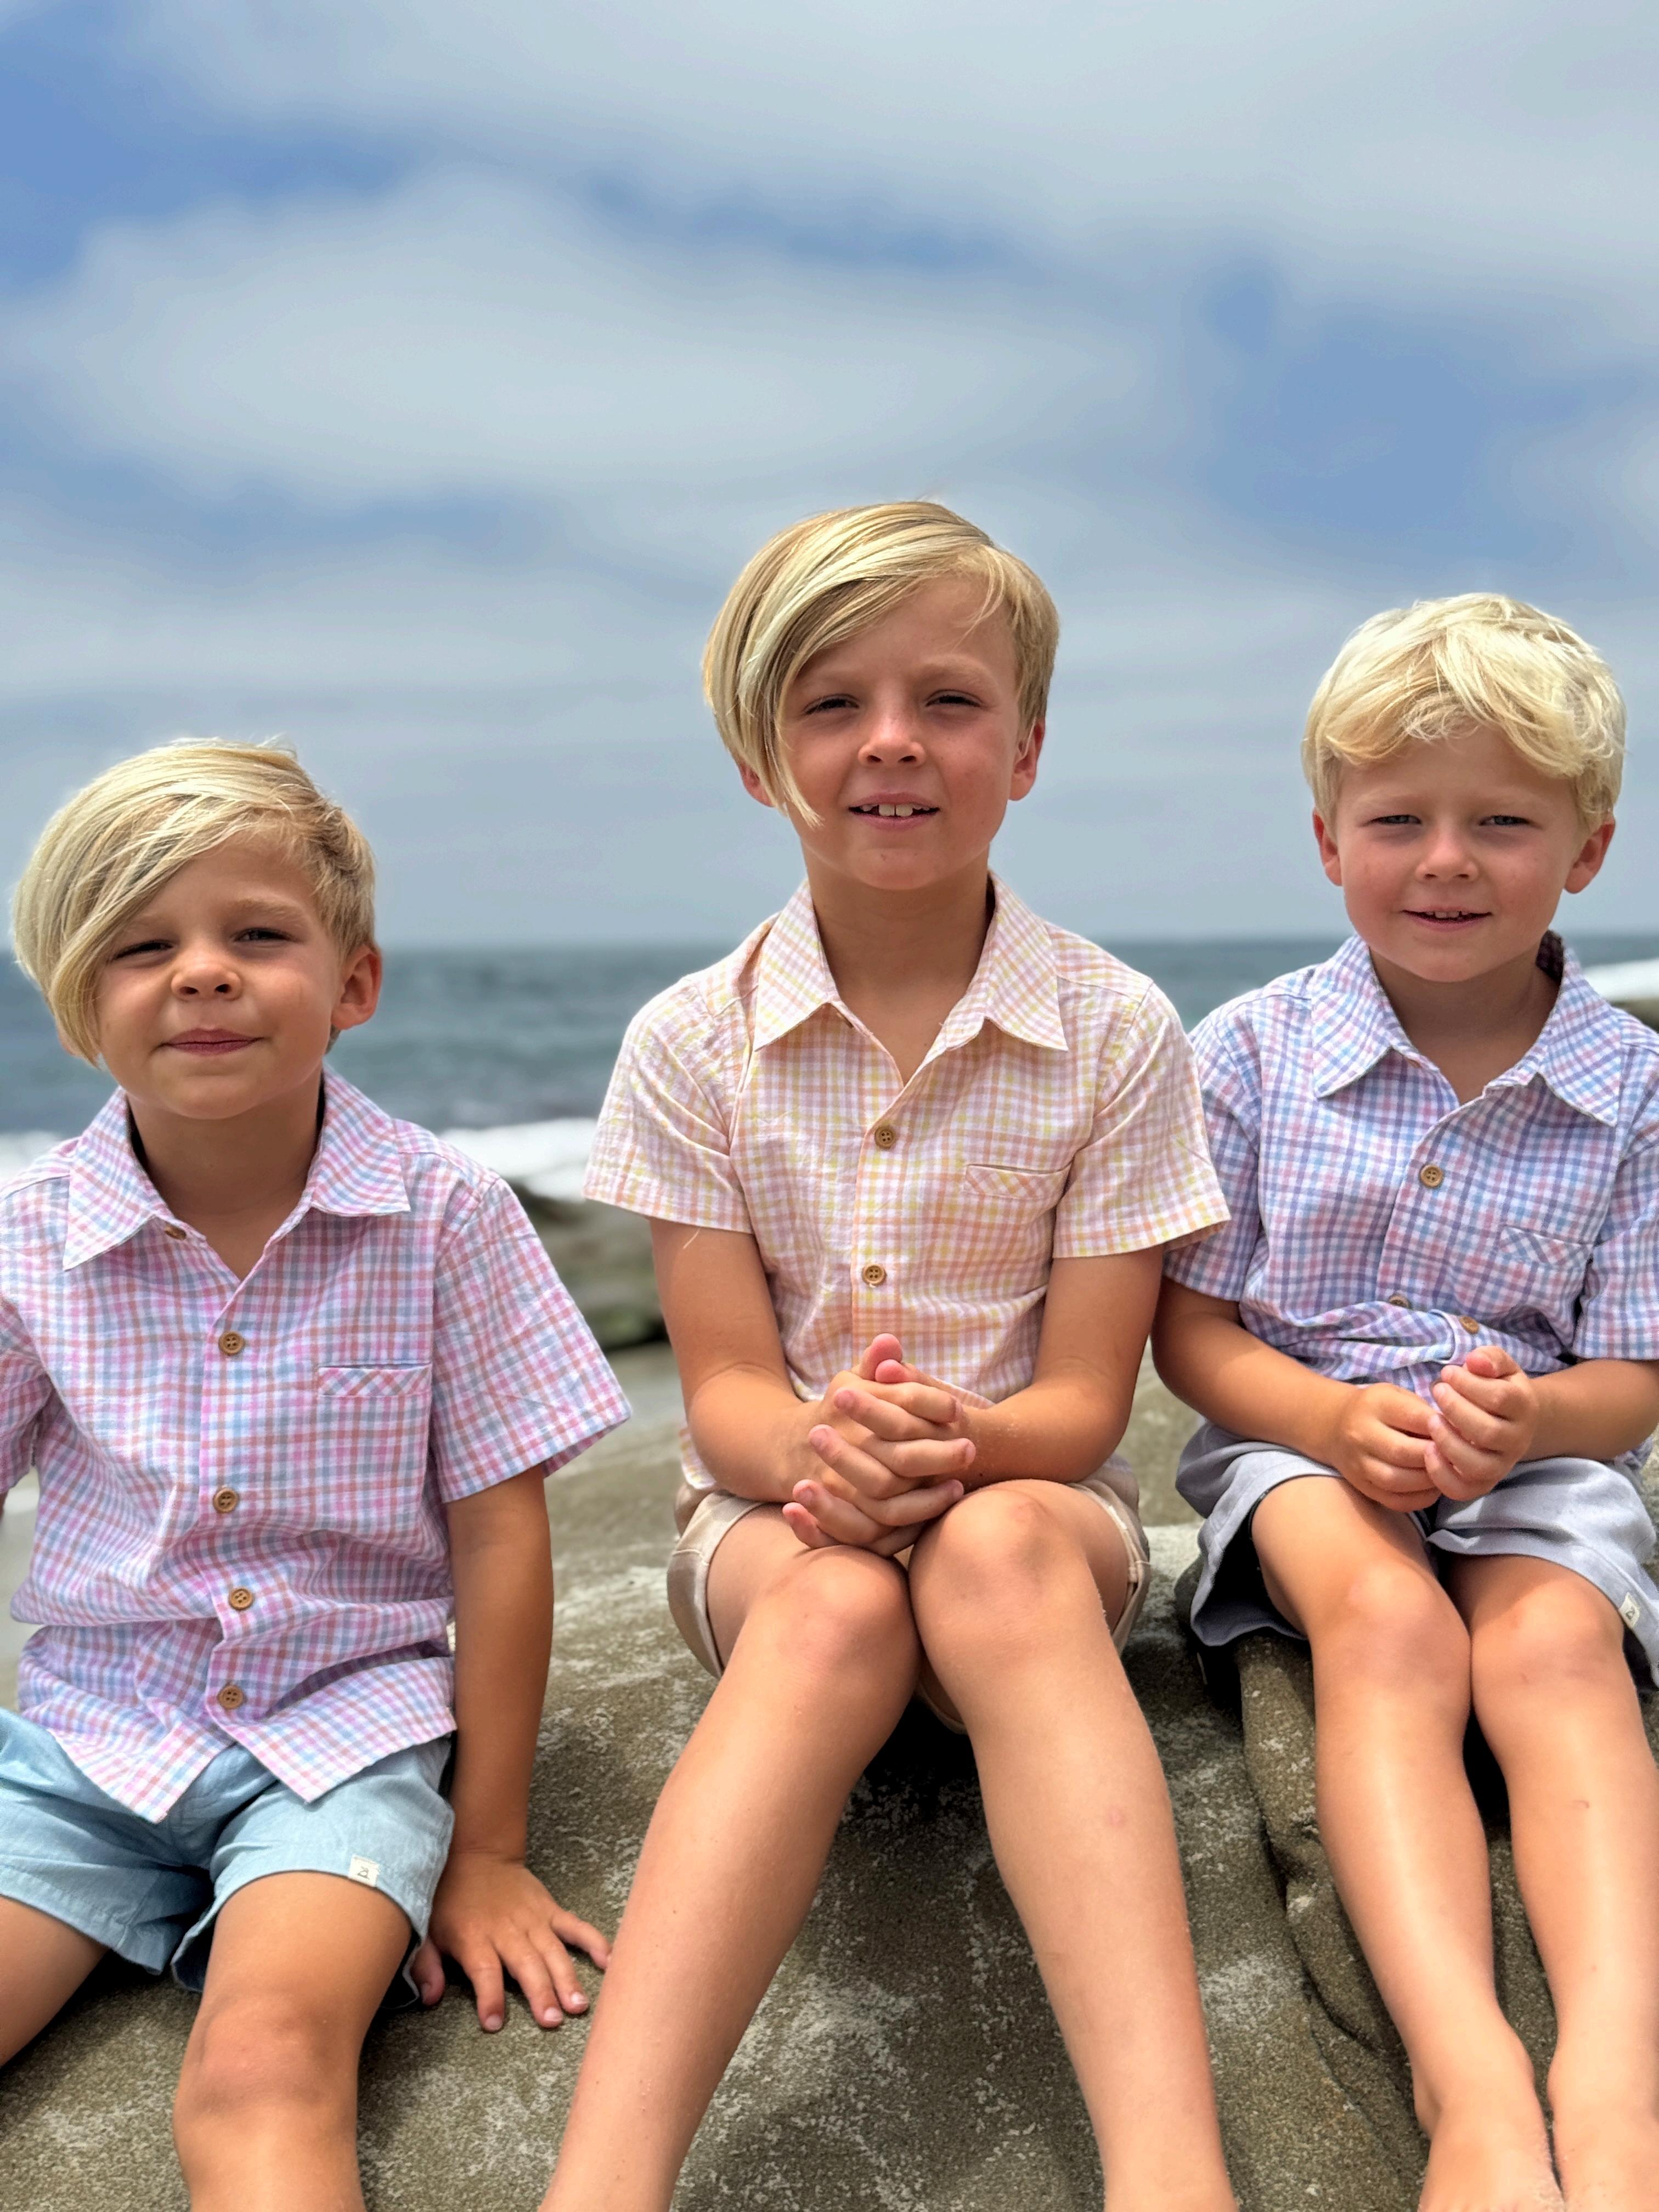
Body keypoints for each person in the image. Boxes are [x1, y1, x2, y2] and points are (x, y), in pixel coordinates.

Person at [543, 501, 1238, 2212]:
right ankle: (602, 2184)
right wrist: (823, 1459)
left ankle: (1171, 2173)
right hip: (780, 1530)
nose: (894, 742)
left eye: (949, 701)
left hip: (1034, 1513)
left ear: (1027, 748)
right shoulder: (693, 1042)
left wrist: (952, 1455)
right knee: (840, 1606)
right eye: (833, 704)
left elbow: (1087, 1407)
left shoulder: (1115, 1029)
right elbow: (724, 1398)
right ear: (759, 757)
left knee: (996, 1553)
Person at [0, 742, 627, 2211]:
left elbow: (500, 1541)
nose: (203, 973)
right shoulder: (30, 1240)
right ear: (77, 1005)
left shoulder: (447, 1217)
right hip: (85, 1749)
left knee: (262, 2065)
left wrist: (489, 1850)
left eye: (259, 934)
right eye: (141, 947)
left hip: (340, 1745)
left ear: (355, 982)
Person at [1154, 595, 1659, 2211]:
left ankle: (1619, 2084)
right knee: (1386, 1627)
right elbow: (1192, 1329)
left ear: (1586, 850)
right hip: (1300, 1439)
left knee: (1560, 1648)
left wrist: (1535, 1426)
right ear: (1328, 841)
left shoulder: (1635, 1094)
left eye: (1503, 822)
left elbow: (1635, 1380)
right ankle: (1469, 2081)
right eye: (1398, 822)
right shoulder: (1247, 1055)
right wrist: (1320, 1423)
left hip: (1529, 1445)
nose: (1446, 861)